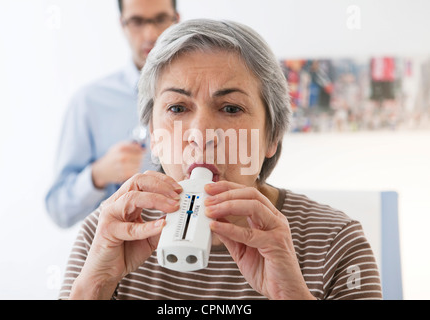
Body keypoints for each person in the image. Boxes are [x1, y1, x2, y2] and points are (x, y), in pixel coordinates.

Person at [59, 19, 382, 300]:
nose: (200, 134)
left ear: (272, 137)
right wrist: (95, 287)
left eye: (230, 108)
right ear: (154, 136)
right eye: (177, 108)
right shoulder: (108, 234)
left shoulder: (337, 243)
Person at [45, 0, 180, 228]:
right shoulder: (89, 102)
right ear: (122, 24)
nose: (150, 33)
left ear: (176, 19)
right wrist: (97, 175)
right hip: (123, 258)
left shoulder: (208, 96)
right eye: (137, 21)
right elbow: (59, 211)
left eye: (160, 19)